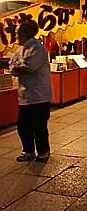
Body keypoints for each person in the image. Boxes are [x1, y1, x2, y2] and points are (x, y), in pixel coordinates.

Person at [10, 21, 53, 162]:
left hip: (40, 95)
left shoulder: (37, 48)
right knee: (23, 126)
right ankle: (28, 151)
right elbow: (13, 66)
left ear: (24, 34)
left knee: (39, 126)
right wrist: (18, 67)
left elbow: (30, 66)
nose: (16, 36)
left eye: (17, 33)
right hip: (25, 96)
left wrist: (19, 66)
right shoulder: (20, 50)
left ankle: (43, 151)